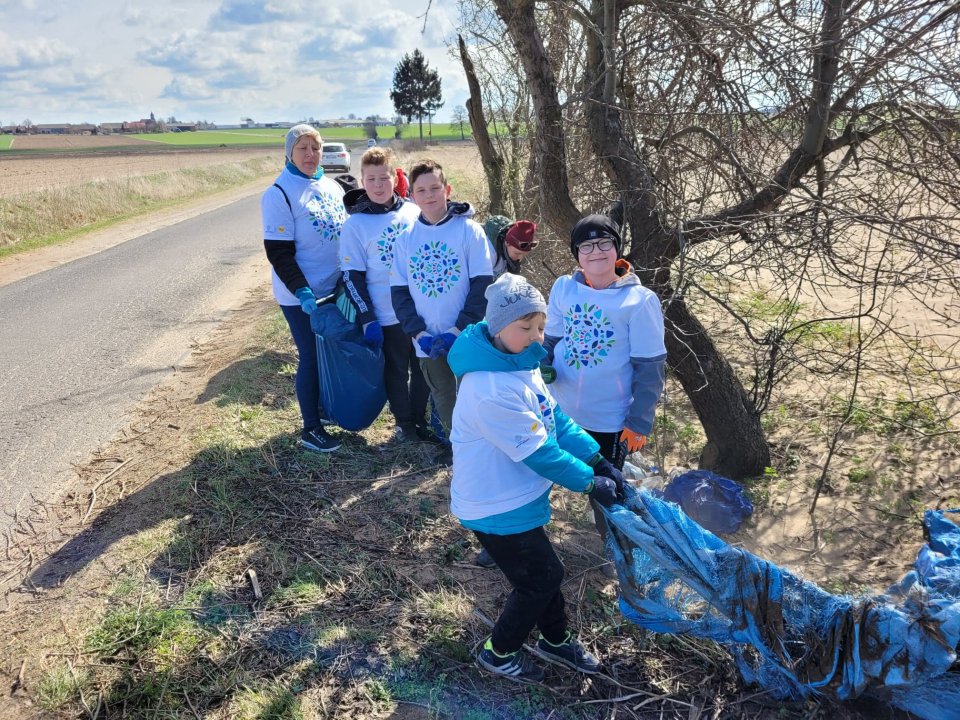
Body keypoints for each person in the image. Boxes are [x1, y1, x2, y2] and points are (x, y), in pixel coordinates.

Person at [447, 273, 625, 681]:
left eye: (541, 327)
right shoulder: (488, 388)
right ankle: (499, 652)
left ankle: (555, 640)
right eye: (524, 328)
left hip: (517, 498)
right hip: (494, 505)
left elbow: (555, 420)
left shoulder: (519, 364)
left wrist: (598, 460)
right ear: (497, 328)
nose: (535, 337)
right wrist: (587, 482)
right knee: (541, 578)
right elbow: (539, 452)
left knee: (540, 575)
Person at [544, 214, 667, 557]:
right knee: (535, 473)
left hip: (609, 420)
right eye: (586, 245)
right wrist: (541, 362)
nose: (596, 251)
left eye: (604, 243)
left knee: (607, 491)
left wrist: (639, 420)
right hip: (560, 410)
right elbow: (550, 339)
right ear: (576, 254)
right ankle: (519, 536)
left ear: (617, 249)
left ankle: (617, 551)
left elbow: (650, 367)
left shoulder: (640, 301)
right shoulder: (563, 289)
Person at [390, 159, 494, 466]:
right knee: (444, 396)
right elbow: (399, 292)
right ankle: (457, 447)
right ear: (411, 195)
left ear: (447, 189)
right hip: (427, 340)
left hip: (466, 336)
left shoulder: (469, 231)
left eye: (435, 187)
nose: (429, 194)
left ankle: (483, 447)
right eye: (421, 190)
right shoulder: (405, 239)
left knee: (472, 394)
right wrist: (418, 332)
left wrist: (457, 330)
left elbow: (481, 286)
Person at [339, 147, 439, 444]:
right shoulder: (355, 225)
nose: (378, 185)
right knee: (396, 371)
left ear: (395, 179)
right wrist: (368, 317)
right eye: (371, 180)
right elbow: (351, 276)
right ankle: (404, 424)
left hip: (422, 311)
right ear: (362, 181)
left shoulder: (413, 212)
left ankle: (421, 420)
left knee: (422, 367)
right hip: (386, 315)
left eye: (383, 178)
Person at [261, 124, 346, 452]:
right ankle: (310, 428)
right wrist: (302, 290)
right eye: (303, 149)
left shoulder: (331, 186)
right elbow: (279, 253)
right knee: (310, 355)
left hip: (333, 290)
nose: (310, 155)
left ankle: (322, 410)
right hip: (301, 296)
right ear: (289, 153)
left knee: (328, 352)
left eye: (316, 148)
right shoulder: (279, 193)